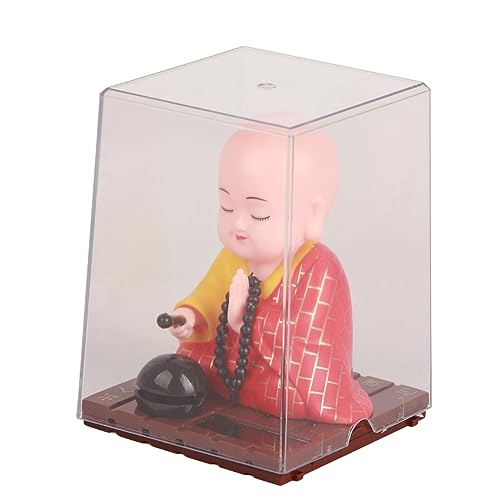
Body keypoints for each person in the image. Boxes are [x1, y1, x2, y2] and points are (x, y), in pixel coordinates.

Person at [168, 128, 373, 425]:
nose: (239, 223)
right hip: (236, 359)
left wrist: (245, 320)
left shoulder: (319, 266)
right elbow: (209, 295)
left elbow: (308, 342)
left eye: (259, 213)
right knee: (189, 357)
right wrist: (190, 315)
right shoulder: (234, 257)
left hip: (286, 376)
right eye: (227, 207)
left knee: (288, 398)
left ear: (313, 215)